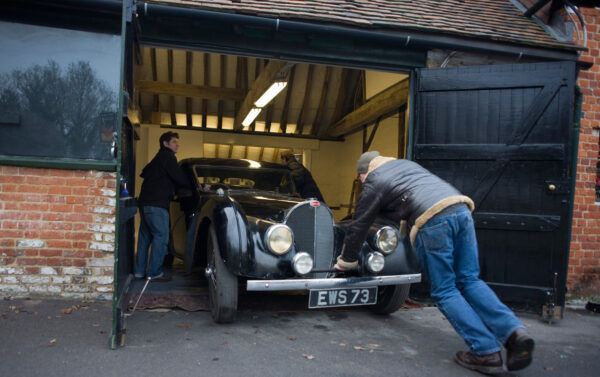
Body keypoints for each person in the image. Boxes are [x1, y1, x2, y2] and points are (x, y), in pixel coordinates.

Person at [334, 151, 535, 374]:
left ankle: (486, 352)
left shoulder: (374, 181)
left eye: (360, 178)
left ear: (364, 173)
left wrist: (347, 262)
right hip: (460, 209)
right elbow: (391, 216)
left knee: (445, 289)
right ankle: (514, 334)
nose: (362, 183)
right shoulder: (406, 167)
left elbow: (359, 225)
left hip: (433, 220)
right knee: (469, 279)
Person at [134, 131, 190, 282]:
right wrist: (196, 185)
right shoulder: (168, 157)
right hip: (157, 205)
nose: (177, 144)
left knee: (145, 238)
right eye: (174, 142)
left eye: (177, 142)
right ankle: (154, 273)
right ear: (165, 144)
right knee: (161, 237)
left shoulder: (157, 159)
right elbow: (180, 179)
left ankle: (139, 272)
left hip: (145, 203)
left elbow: (144, 172)